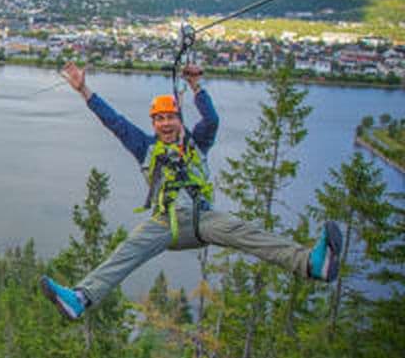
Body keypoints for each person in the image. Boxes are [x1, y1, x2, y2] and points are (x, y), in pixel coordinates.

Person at [40, 61, 342, 320]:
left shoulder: (198, 143)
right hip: (165, 223)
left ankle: (311, 263)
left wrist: (197, 87)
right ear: (153, 123)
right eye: (159, 119)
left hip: (201, 220)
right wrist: (83, 90)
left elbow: (211, 120)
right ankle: (80, 299)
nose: (165, 123)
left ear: (179, 120)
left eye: (170, 117)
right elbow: (114, 121)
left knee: (245, 232)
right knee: (126, 251)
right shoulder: (145, 147)